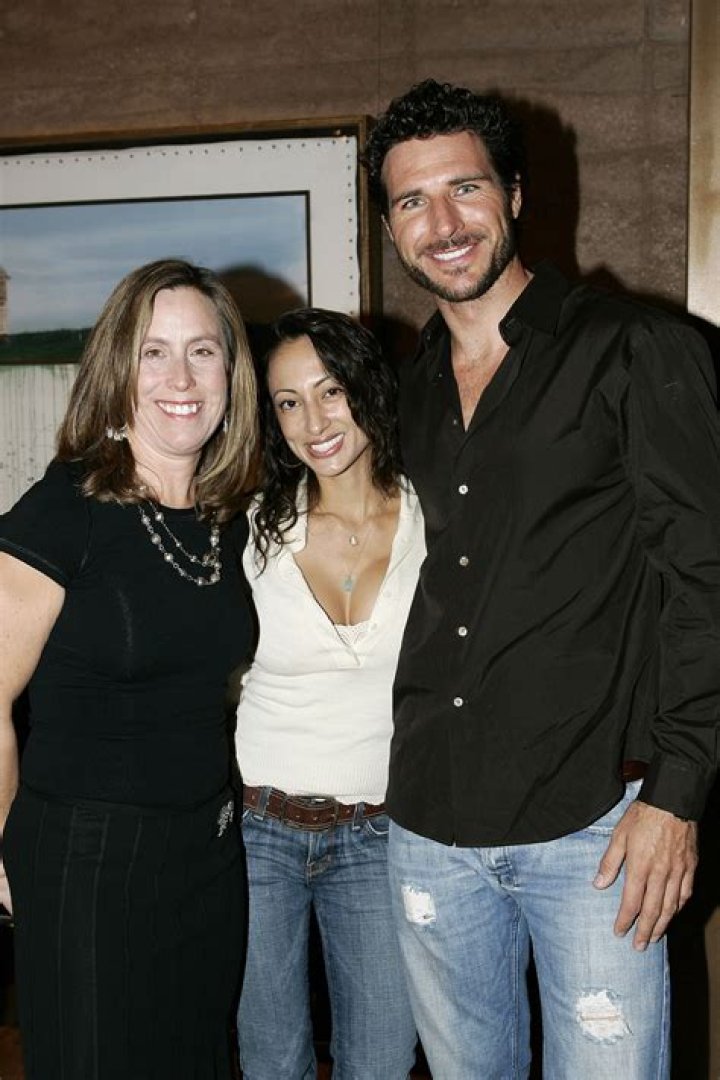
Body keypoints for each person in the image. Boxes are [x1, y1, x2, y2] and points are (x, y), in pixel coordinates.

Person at [363, 79, 720, 1078]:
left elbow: (706, 582)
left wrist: (678, 796)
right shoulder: (407, 389)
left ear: (515, 195)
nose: (443, 224)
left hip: (596, 827)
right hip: (430, 822)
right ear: (390, 227)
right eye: (412, 201)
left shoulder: (636, 350)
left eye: (466, 189)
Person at [0, 258, 258, 1080]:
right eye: (154, 352)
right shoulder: (63, 510)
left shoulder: (226, 516)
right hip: (89, 860)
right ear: (117, 370)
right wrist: (1, 849)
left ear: (230, 373)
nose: (181, 378)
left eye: (203, 351)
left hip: (208, 854)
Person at [234, 307, 423, 1080]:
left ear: (366, 387)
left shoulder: (433, 517)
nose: (313, 422)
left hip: (381, 832)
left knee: (381, 1060)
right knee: (270, 1061)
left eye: (330, 390)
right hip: (256, 832)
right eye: (288, 402)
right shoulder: (251, 527)